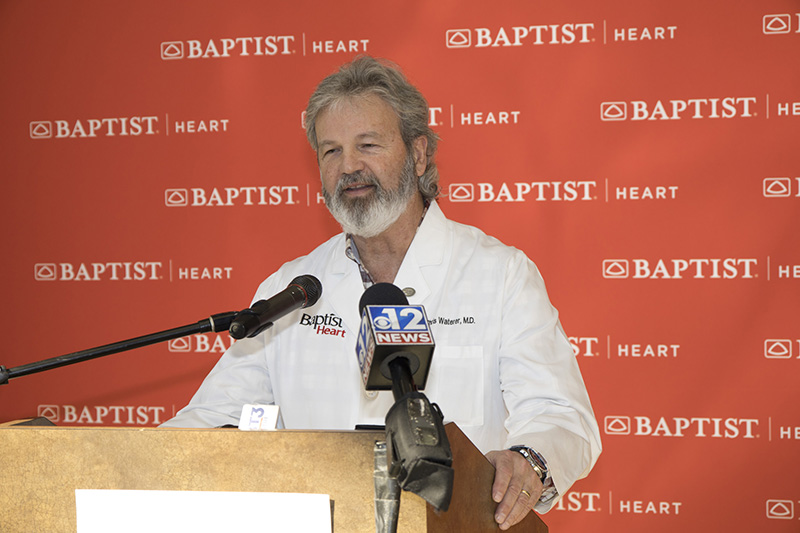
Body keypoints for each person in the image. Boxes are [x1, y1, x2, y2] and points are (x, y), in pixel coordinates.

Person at [162, 55, 601, 529]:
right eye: (331, 151)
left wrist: (528, 461)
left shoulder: (500, 274)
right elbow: (211, 420)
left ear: (418, 153)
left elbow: (561, 416)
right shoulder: (291, 290)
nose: (349, 166)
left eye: (367, 145)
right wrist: (130, 463)